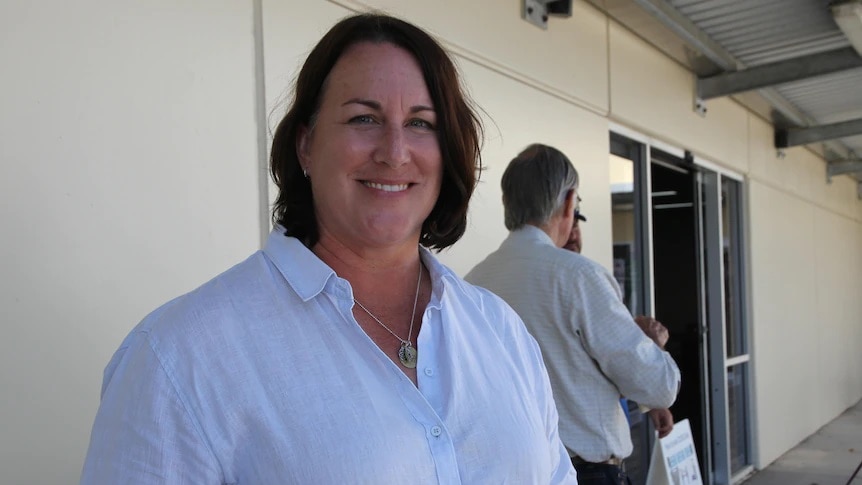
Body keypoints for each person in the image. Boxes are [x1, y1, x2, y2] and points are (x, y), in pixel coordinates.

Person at [79, 14, 577, 484]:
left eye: (422, 123)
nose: (395, 151)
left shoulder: (502, 333)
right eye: (364, 118)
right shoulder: (180, 357)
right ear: (305, 145)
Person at [465, 144, 680, 485]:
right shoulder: (579, 276)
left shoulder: (473, 282)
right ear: (568, 202)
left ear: (509, 204)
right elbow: (659, 387)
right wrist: (652, 343)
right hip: (588, 473)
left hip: (516, 470)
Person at [564, 212, 675, 440]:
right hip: (584, 452)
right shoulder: (583, 277)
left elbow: (616, 360)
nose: (573, 234)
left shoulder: (585, 280)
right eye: (569, 223)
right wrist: (654, 345)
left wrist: (651, 404)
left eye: (576, 225)